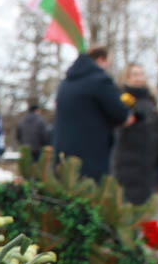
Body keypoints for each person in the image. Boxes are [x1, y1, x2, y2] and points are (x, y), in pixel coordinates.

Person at [52, 46, 133, 181]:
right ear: (101, 59)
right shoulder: (100, 80)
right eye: (108, 62)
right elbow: (120, 115)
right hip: (91, 155)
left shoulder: (65, 82)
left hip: (63, 154)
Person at [113, 64, 158, 204]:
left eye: (140, 74)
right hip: (127, 161)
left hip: (148, 161)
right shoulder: (122, 99)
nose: (138, 78)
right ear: (126, 77)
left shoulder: (150, 102)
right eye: (134, 74)